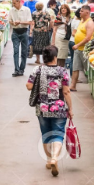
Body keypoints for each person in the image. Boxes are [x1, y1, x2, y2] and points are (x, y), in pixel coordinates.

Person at [26, 45, 73, 176]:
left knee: (46, 134)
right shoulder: (62, 71)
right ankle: (54, 158)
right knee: (58, 134)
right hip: (59, 108)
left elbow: (29, 86)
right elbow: (66, 92)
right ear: (55, 57)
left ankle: (48, 160)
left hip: (42, 108)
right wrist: (70, 109)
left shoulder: (38, 69)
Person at [71, 5, 94, 91]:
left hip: (85, 50)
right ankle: (73, 86)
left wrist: (77, 45)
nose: (79, 12)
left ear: (87, 13)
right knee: (75, 68)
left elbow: (88, 38)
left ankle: (93, 87)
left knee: (88, 70)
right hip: (78, 49)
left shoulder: (90, 22)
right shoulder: (81, 21)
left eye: (81, 11)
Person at [10, 0, 33, 77]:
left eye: (14, 3)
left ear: (19, 2)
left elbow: (29, 22)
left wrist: (20, 22)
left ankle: (21, 69)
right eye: (12, 3)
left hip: (24, 32)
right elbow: (10, 20)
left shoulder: (26, 10)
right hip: (15, 32)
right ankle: (16, 70)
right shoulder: (11, 10)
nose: (13, 5)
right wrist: (13, 23)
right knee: (15, 51)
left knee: (24, 52)